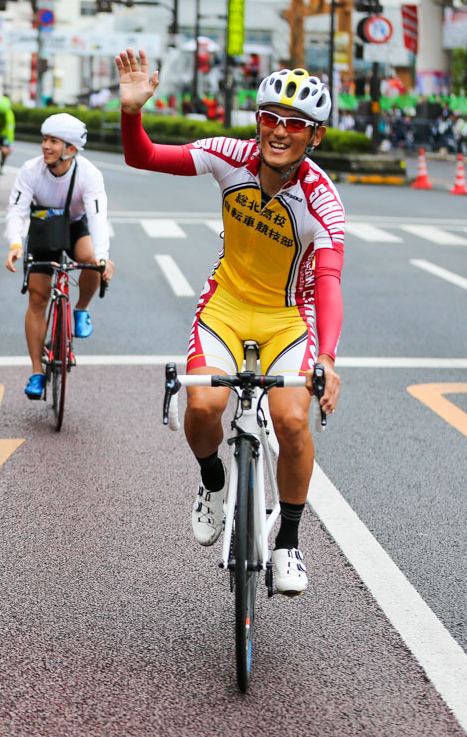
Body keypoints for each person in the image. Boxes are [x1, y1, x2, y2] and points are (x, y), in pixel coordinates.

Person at [117, 50, 343, 596]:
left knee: (291, 422)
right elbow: (143, 157)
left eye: (296, 125)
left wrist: (328, 359)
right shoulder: (229, 157)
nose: (279, 132)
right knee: (202, 404)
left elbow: (331, 281)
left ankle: (288, 541)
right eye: (270, 118)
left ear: (314, 138)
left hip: (289, 318)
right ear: (257, 121)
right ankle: (213, 482)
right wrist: (130, 113)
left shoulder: (322, 200)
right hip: (225, 304)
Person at [3, 113, 115, 399]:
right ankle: (37, 371)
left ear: (71, 149)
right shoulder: (30, 170)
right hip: (42, 226)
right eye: (44, 139)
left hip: (75, 224)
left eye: (53, 141)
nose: (45, 146)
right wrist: (16, 243)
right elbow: (17, 210)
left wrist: (103, 256)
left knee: (91, 259)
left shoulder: (89, 174)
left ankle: (80, 310)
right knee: (38, 298)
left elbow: (98, 216)